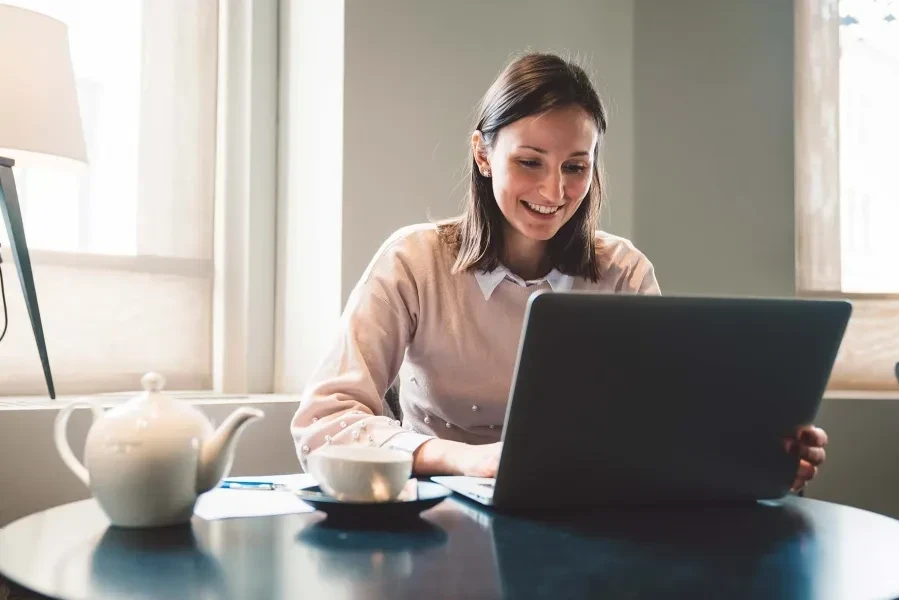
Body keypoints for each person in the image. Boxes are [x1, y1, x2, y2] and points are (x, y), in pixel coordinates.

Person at [290, 52, 827, 492]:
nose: (555, 191)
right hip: (438, 515)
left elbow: (666, 428)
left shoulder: (623, 273)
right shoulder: (413, 260)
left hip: (589, 518)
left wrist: (757, 455)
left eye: (576, 166)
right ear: (483, 155)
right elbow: (323, 423)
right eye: (530, 162)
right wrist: (465, 459)